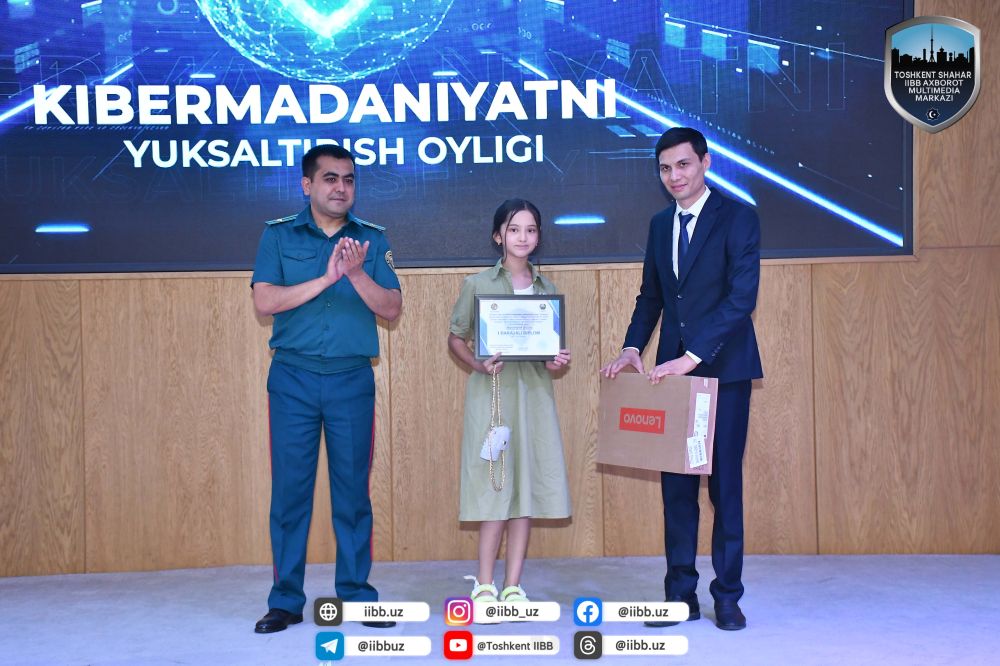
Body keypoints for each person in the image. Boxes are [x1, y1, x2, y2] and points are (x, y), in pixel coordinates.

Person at [600, 127, 763, 631]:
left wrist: (692, 357)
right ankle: (679, 594)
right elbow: (651, 295)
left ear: (706, 163)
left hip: (724, 372)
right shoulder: (659, 224)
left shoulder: (739, 217)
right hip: (670, 377)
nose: (675, 176)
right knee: (676, 490)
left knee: (724, 487)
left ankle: (727, 596)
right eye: (666, 168)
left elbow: (741, 299)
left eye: (684, 165)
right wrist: (632, 348)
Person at [250, 144, 402, 633]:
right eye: (331, 178)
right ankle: (285, 601)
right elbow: (265, 301)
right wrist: (326, 277)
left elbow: (392, 308)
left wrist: (354, 273)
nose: (342, 188)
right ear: (307, 184)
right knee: (289, 494)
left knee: (352, 494)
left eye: (349, 179)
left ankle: (356, 595)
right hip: (292, 379)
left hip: (350, 380)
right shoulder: (278, 235)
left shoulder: (371, 239)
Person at [447, 199, 572, 610]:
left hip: (534, 399)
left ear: (539, 236)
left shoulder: (546, 290)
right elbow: (456, 338)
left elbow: (547, 357)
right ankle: (484, 584)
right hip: (493, 398)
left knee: (526, 490)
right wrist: (478, 364)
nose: (523, 237)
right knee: (494, 487)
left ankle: (513, 585)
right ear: (498, 235)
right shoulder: (477, 284)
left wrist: (555, 361)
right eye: (514, 229)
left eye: (531, 229)